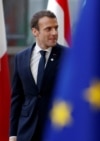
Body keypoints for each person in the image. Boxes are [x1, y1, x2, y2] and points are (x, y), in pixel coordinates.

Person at [9, 10, 68, 141]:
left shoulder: (68, 57)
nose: (54, 33)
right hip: (27, 130)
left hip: (57, 128)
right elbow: (17, 97)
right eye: (48, 29)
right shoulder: (21, 58)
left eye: (56, 28)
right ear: (35, 31)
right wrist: (13, 133)